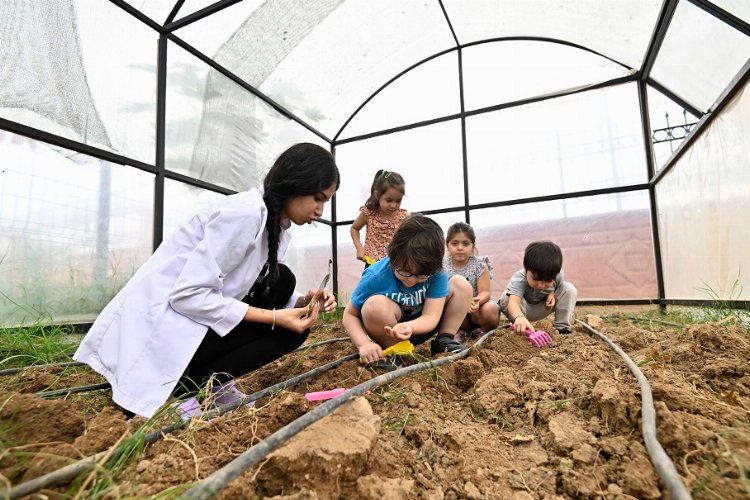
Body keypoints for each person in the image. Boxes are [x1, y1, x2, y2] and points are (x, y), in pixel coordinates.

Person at [74, 143, 340, 419]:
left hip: (196, 321)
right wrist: (273, 317)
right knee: (287, 324)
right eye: (318, 198)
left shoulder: (276, 226)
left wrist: (302, 301)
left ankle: (215, 384)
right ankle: (182, 391)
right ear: (296, 182)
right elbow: (187, 295)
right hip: (166, 328)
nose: (320, 210)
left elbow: (245, 284)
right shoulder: (245, 215)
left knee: (283, 281)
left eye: (325, 202)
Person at [344, 215, 472, 371]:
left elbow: (431, 316)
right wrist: (364, 343)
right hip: (389, 333)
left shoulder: (437, 272)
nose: (411, 280)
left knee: (461, 285)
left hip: (419, 327)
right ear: (392, 257)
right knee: (373, 306)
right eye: (405, 272)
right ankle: (393, 354)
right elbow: (349, 315)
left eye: (421, 276)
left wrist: (408, 326)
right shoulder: (375, 275)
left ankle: (443, 341)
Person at [498, 241, 577, 336]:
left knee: (568, 288)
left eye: (548, 281)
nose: (541, 286)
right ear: (526, 270)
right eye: (536, 279)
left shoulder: (558, 275)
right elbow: (513, 302)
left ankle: (562, 328)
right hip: (518, 311)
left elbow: (557, 287)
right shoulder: (519, 279)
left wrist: (550, 293)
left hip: (540, 308)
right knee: (508, 296)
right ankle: (521, 327)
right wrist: (519, 317)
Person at [444, 222, 500, 343]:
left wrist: (477, 301)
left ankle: (483, 331)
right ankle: (458, 332)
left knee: (491, 309)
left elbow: (485, 292)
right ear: (447, 245)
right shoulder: (443, 268)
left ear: (473, 246)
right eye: (454, 243)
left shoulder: (479, 265)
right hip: (457, 312)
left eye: (465, 243)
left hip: (477, 309)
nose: (460, 247)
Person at [350, 170, 409, 267]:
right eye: (389, 200)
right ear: (377, 195)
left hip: (395, 266)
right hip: (372, 264)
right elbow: (354, 228)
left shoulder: (403, 217)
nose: (394, 205)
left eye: (398, 201)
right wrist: (359, 248)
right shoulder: (369, 213)